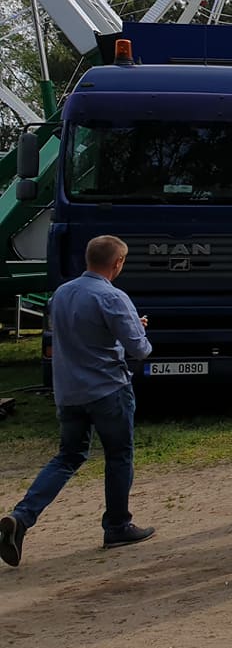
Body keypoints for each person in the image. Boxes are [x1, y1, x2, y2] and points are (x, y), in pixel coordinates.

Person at [0, 236, 154, 567]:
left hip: (69, 391)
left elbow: (78, 334)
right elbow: (139, 349)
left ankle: (22, 517)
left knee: (68, 456)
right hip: (108, 389)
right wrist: (137, 328)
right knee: (118, 456)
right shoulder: (113, 297)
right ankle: (117, 525)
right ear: (118, 263)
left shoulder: (61, 293)